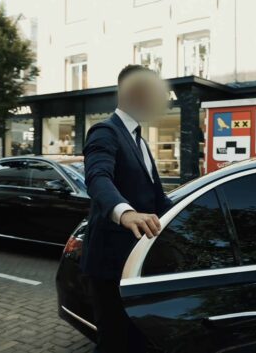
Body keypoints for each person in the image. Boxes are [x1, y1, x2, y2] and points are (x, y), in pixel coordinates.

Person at [82, 65, 172, 353]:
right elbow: (97, 178)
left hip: (136, 261)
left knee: (134, 341)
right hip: (109, 264)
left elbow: (159, 200)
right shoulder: (105, 132)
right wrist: (125, 212)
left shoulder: (142, 142)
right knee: (113, 342)